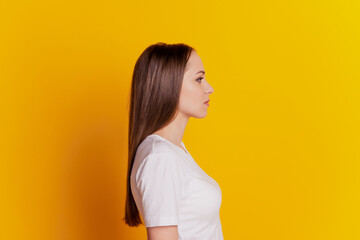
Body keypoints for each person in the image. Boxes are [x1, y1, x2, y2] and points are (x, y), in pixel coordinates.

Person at [123, 42, 223, 240]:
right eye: (199, 79)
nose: (209, 88)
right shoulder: (161, 157)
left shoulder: (173, 152)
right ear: (169, 85)